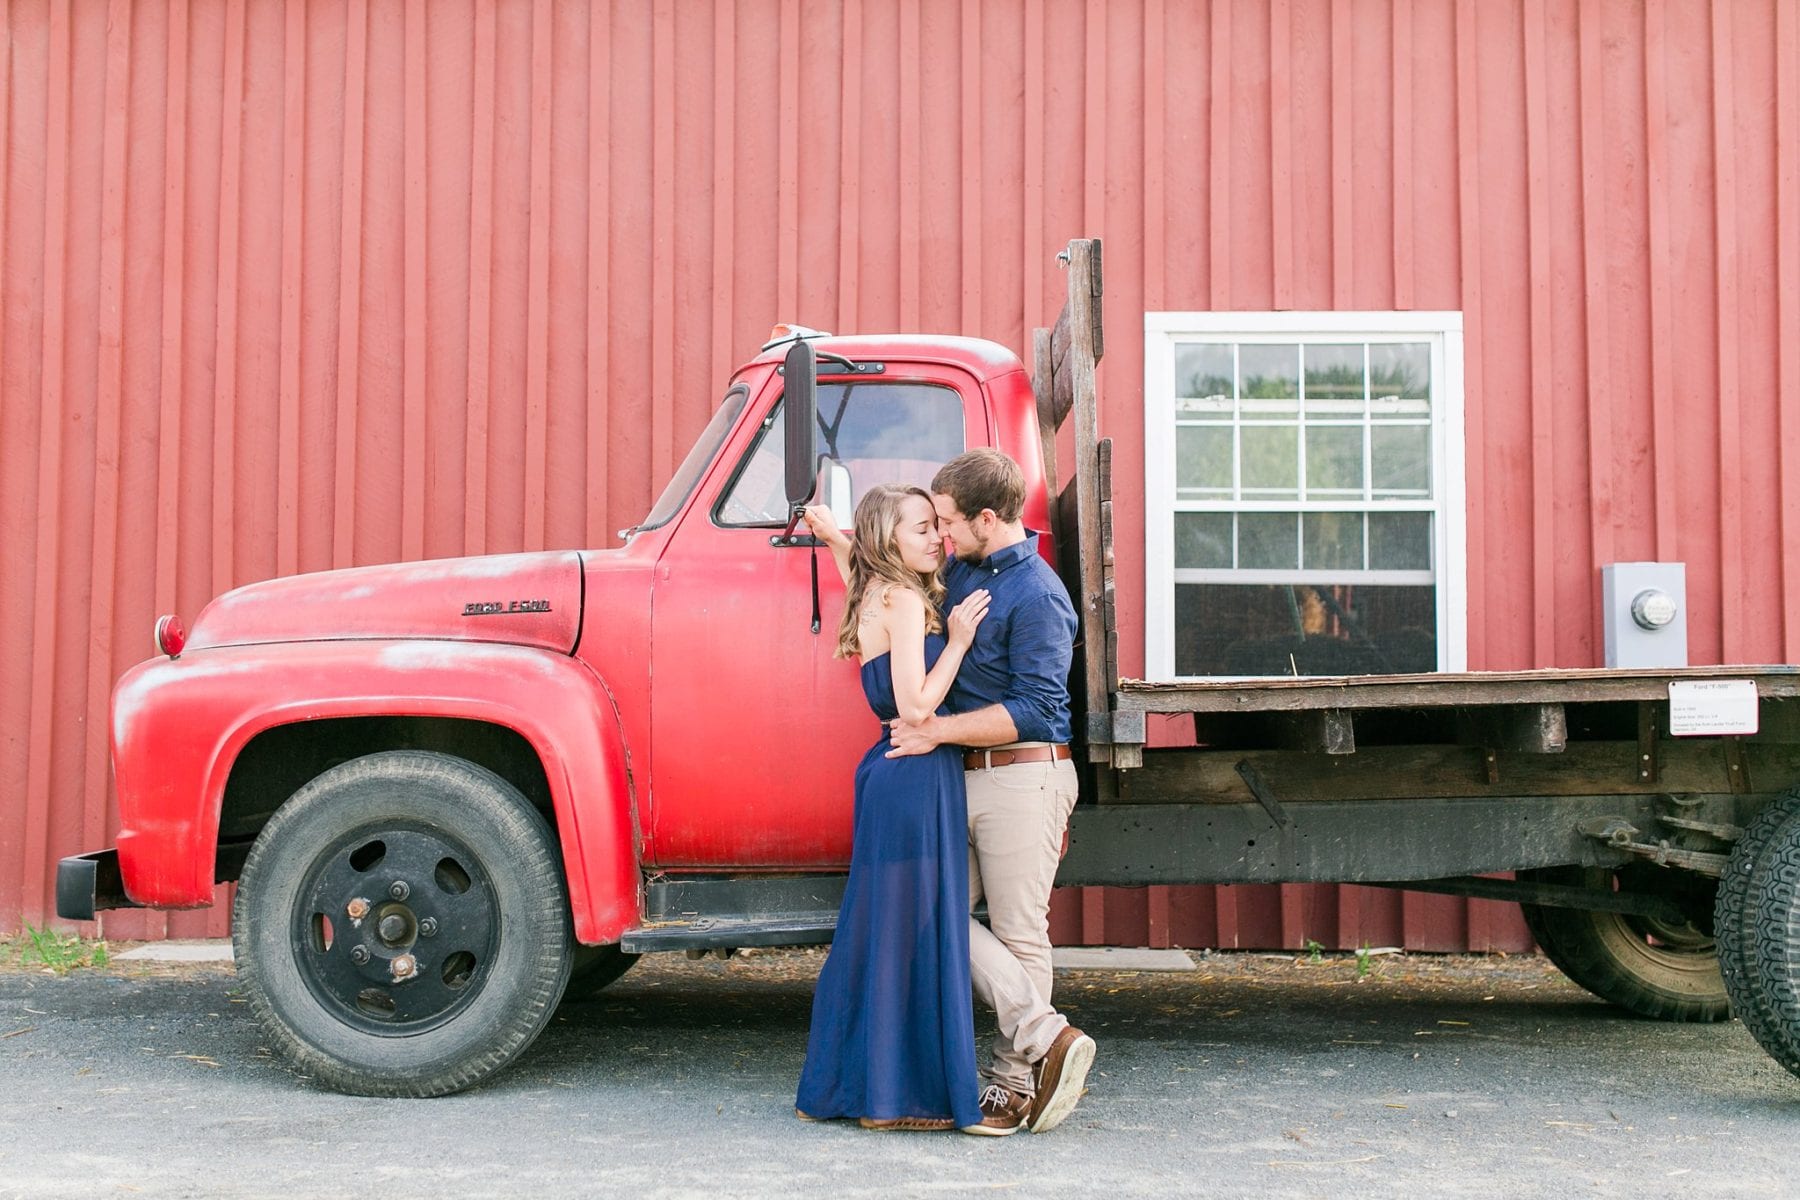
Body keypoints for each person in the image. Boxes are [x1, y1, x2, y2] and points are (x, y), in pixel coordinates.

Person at [887, 448, 1094, 1137]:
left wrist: (936, 730)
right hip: (962, 776)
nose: (941, 535)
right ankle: (1048, 1035)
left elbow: (1038, 708)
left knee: (1017, 931)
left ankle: (1013, 1087)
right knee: (929, 910)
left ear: (985, 518)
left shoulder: (1039, 595)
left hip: (1023, 775)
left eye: (948, 522)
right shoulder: (967, 569)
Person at [793, 484, 991, 1132]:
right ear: (890, 542)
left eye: (937, 525)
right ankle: (893, 1099)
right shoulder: (904, 599)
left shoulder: (873, 586)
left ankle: (866, 1090)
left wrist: (829, 532)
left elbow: (853, 553)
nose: (937, 537)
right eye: (921, 528)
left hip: (891, 776)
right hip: (916, 774)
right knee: (913, 933)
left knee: (882, 935)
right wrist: (957, 640)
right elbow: (915, 707)